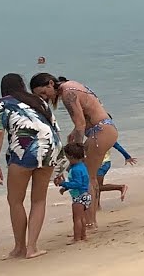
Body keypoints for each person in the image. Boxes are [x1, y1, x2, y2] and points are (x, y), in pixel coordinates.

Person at [29, 73, 119, 226]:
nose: (45, 97)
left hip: (100, 131)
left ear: (51, 83)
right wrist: (74, 133)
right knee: (91, 177)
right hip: (105, 128)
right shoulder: (72, 85)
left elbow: (80, 124)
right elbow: (86, 116)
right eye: (40, 96)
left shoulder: (67, 93)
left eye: (44, 92)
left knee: (88, 178)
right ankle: (92, 219)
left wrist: (75, 151)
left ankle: (90, 222)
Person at [0, 73, 62, 259]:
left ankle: (19, 248)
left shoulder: (1, 104)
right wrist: (61, 168)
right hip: (49, 149)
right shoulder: (38, 101)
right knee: (38, 200)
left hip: (25, 151)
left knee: (15, 201)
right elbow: (54, 131)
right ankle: (32, 248)